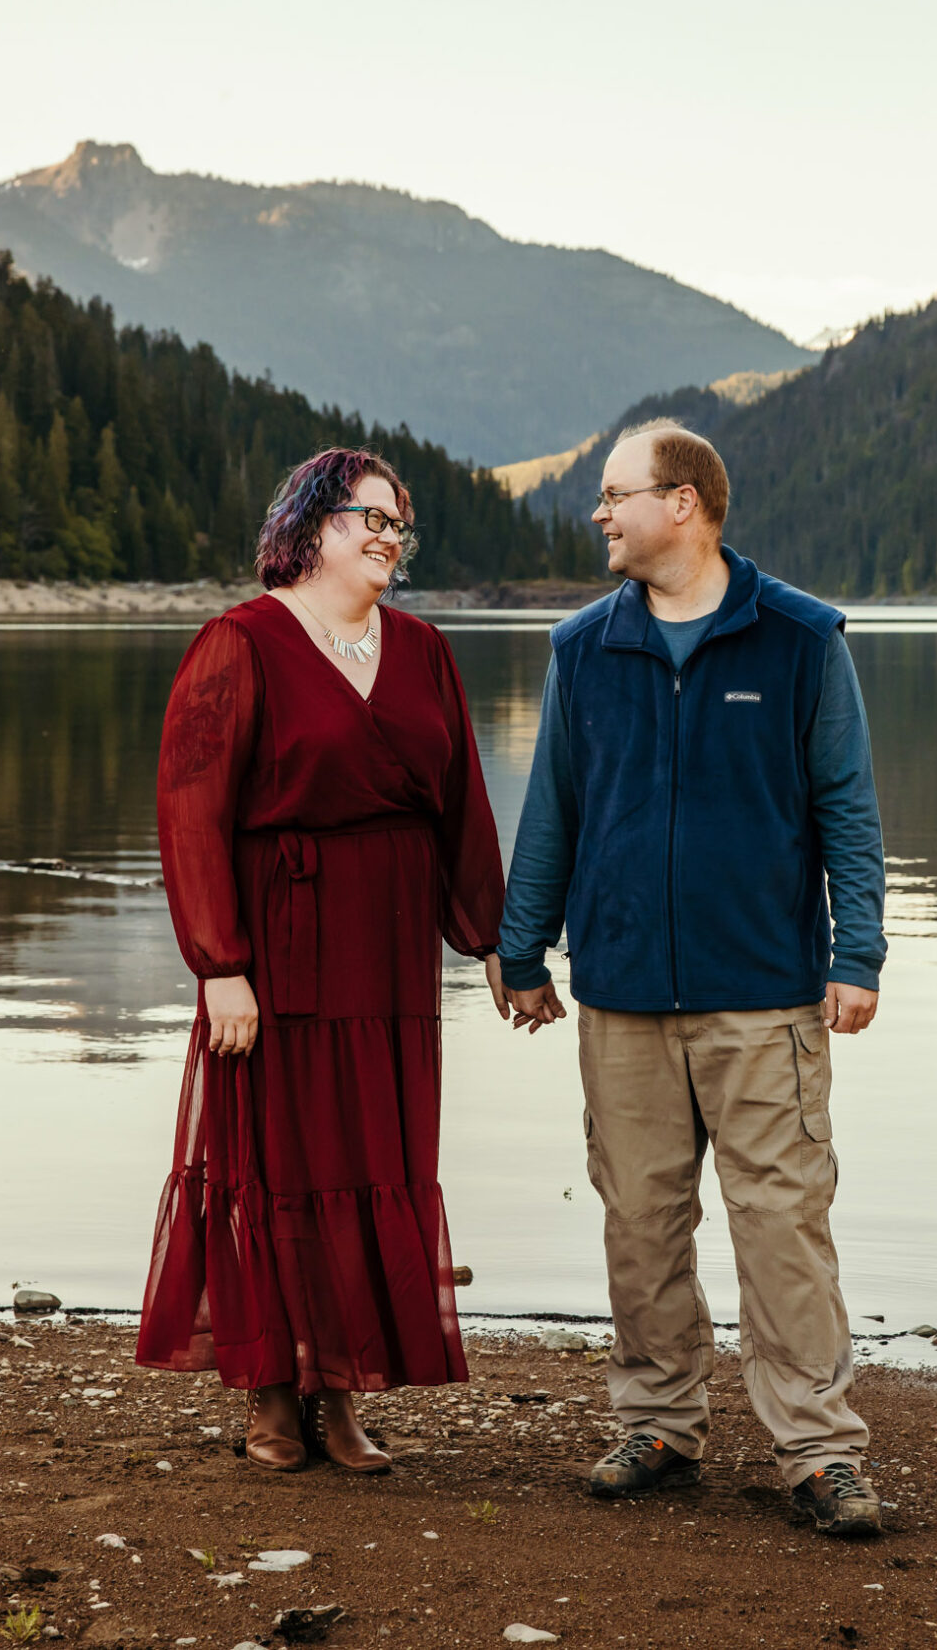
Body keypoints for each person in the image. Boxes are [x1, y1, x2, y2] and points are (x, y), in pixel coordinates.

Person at [496, 418, 890, 1537]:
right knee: (641, 1222)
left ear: (684, 504)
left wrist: (854, 952)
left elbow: (847, 813)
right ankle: (661, 1424)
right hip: (620, 993)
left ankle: (817, 1452)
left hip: (764, 993)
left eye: (615, 494)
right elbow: (552, 817)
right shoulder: (584, 648)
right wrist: (522, 952)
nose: (599, 514)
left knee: (782, 1224)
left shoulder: (801, 639)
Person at [137, 445, 509, 1474]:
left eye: (401, 524)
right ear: (309, 529)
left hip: (388, 953)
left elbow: (461, 808)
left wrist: (490, 940)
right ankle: (269, 1391)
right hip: (279, 942)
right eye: (371, 518)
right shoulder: (239, 644)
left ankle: (338, 1391)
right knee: (274, 1164)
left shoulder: (426, 651)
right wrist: (219, 966)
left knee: (369, 1159)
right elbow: (191, 811)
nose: (390, 537)